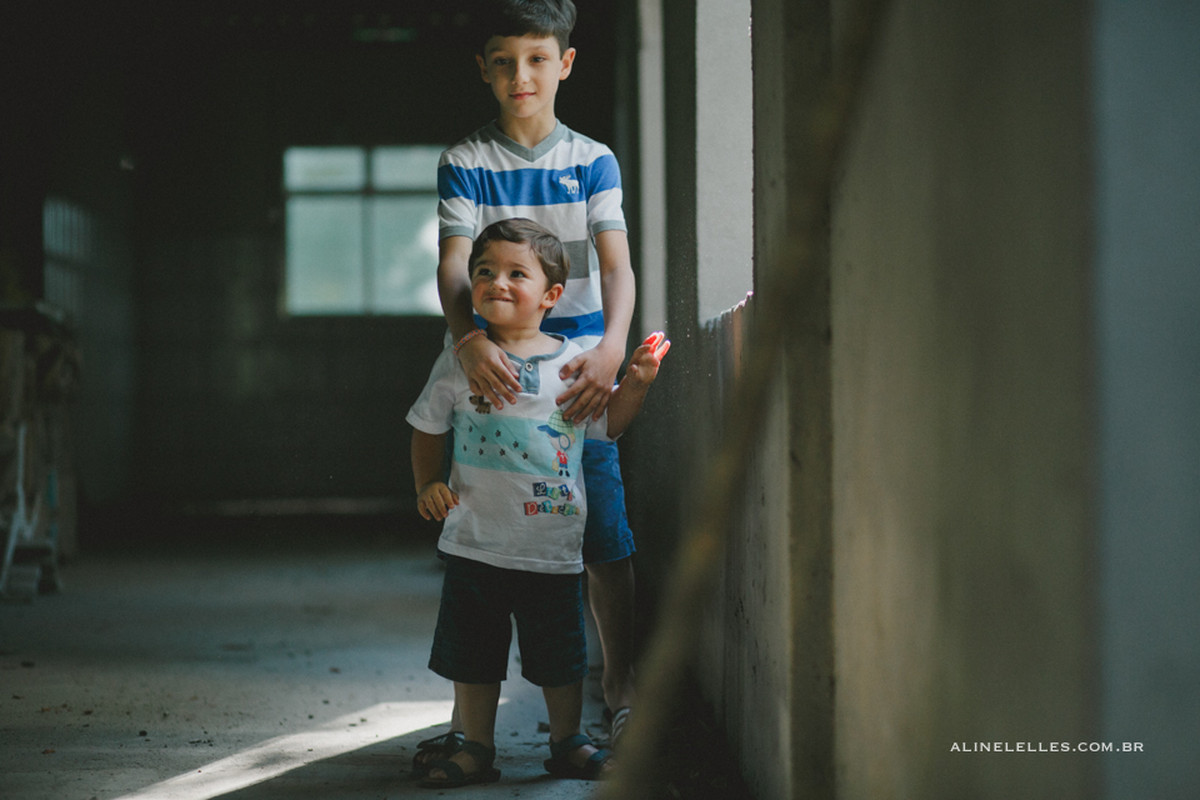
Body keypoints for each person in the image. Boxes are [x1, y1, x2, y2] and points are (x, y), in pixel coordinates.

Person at [417, 0, 642, 773]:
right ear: (483, 67)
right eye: (505, 61)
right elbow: (453, 263)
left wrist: (611, 346)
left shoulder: (593, 159)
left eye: (538, 59)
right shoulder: (466, 159)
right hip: (492, 364)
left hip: (576, 377)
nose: (522, 76)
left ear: (565, 64)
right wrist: (468, 339)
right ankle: (472, 729)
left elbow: (614, 263)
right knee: (487, 547)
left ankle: (621, 696)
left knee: (602, 536)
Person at [408, 218, 669, 788]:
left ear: (551, 295)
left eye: (515, 273)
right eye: (484, 271)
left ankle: (567, 739)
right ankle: (475, 745)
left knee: (561, 655)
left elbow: (604, 430)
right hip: (475, 541)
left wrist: (638, 386)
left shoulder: (575, 363)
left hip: (551, 548)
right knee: (472, 655)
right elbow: (427, 427)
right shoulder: (461, 361)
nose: (496, 282)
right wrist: (428, 482)